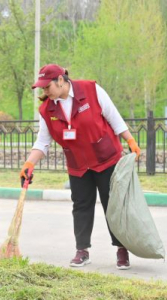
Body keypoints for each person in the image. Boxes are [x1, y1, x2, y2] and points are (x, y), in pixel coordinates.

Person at [24, 64, 141, 270]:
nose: (45, 92)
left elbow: (114, 117)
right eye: (42, 89)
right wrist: (29, 163)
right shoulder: (47, 109)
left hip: (105, 159)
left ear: (61, 80)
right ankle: (82, 250)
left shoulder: (91, 90)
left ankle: (122, 248)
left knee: (112, 206)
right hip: (78, 164)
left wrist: (130, 141)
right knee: (81, 206)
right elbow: (42, 142)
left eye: (46, 86)